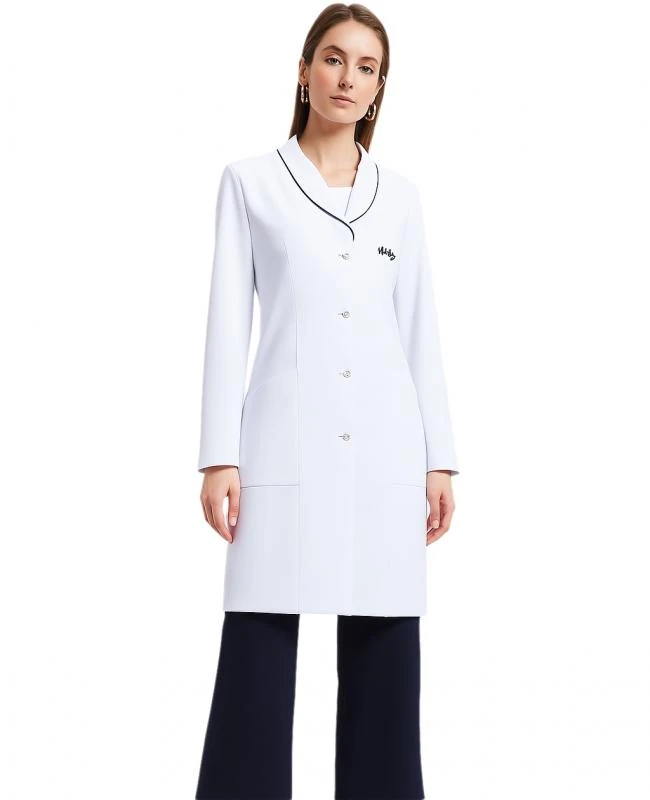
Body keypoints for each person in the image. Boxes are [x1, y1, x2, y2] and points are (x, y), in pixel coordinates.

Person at [194, 4, 459, 798]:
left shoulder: (399, 197)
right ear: (305, 71)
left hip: (387, 451)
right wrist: (218, 455)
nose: (349, 78)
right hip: (281, 447)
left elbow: (419, 329)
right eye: (335, 59)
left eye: (367, 67)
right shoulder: (250, 183)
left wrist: (440, 460)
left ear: (379, 89)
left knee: (385, 650)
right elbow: (227, 325)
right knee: (258, 646)